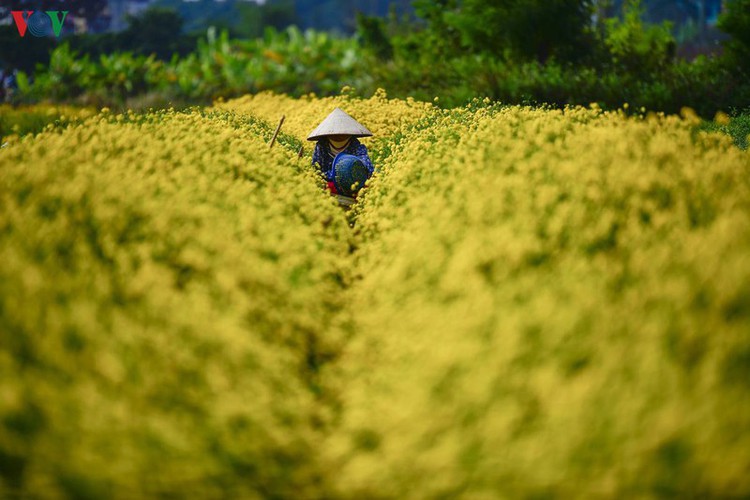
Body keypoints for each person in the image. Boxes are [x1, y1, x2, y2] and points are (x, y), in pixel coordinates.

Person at [308, 108, 374, 198]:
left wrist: (355, 171)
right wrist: (335, 175)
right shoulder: (322, 146)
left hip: (355, 185)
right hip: (330, 184)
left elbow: (368, 167)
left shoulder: (356, 146)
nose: (339, 135)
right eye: (335, 133)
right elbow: (316, 170)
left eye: (343, 133)